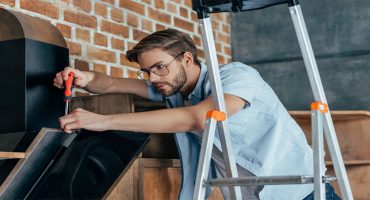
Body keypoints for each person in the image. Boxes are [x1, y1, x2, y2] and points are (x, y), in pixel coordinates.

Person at [54, 29, 340, 200]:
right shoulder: (174, 90)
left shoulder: (236, 76)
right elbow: (114, 84)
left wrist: (103, 121)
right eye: (147, 71)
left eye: (159, 67)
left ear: (187, 58)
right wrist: (84, 77)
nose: (153, 78)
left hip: (300, 192)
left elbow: (199, 117)